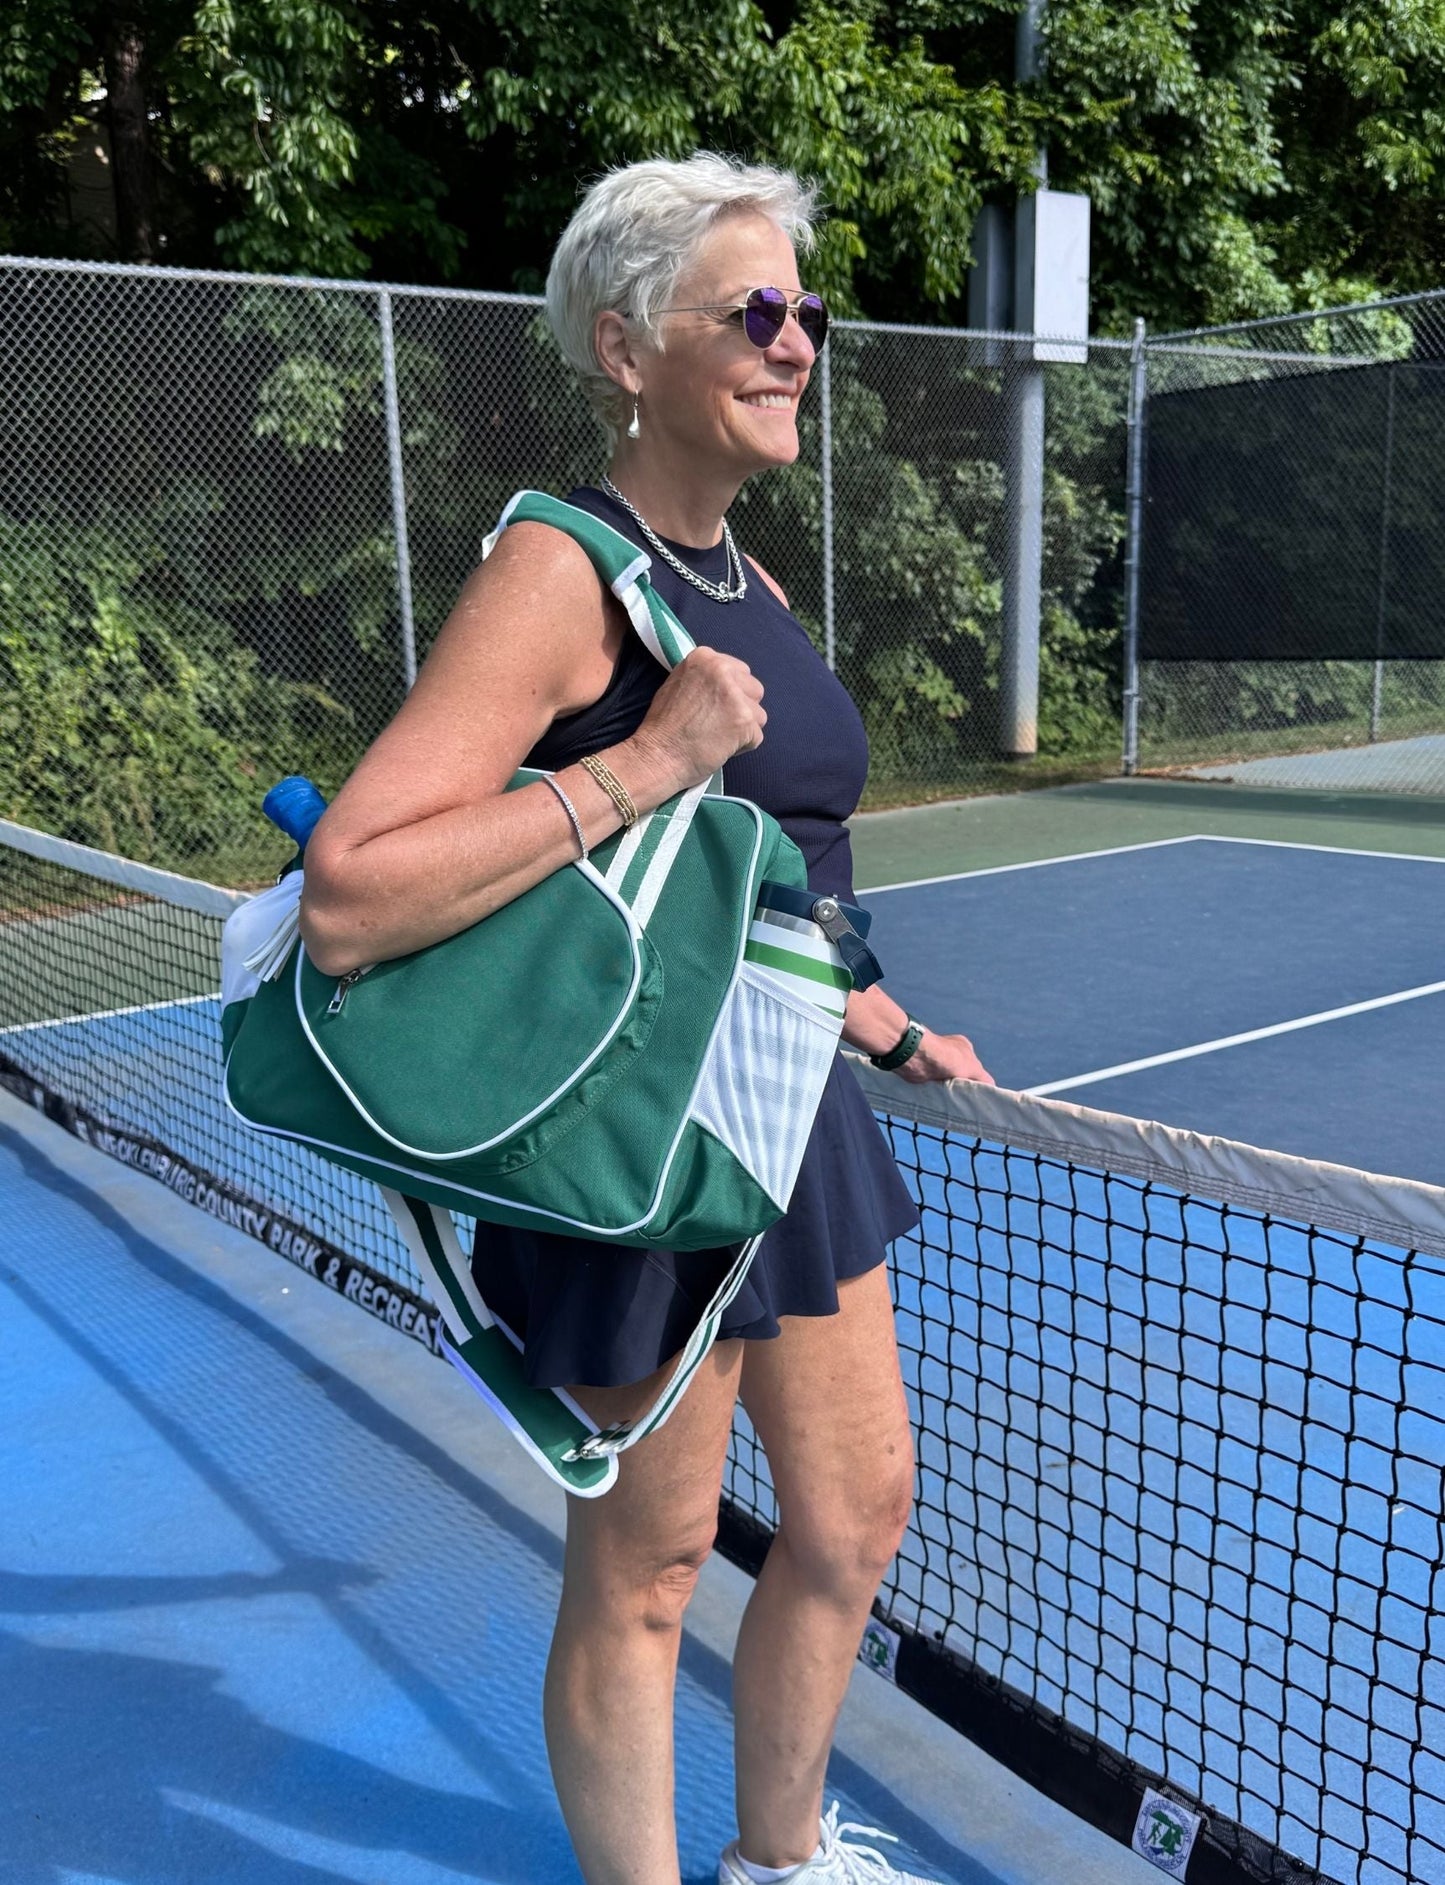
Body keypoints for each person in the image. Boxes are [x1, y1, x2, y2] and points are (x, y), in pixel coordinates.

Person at [300, 151, 992, 1885]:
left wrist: (889, 1027)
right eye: (754, 312)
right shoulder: (559, 566)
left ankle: (780, 1856)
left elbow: (777, 877)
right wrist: (635, 763)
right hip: (636, 1135)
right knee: (651, 1564)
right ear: (623, 351)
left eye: (808, 313)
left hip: (794, 1112)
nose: (796, 343)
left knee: (853, 1514)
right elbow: (355, 891)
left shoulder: (743, 576)